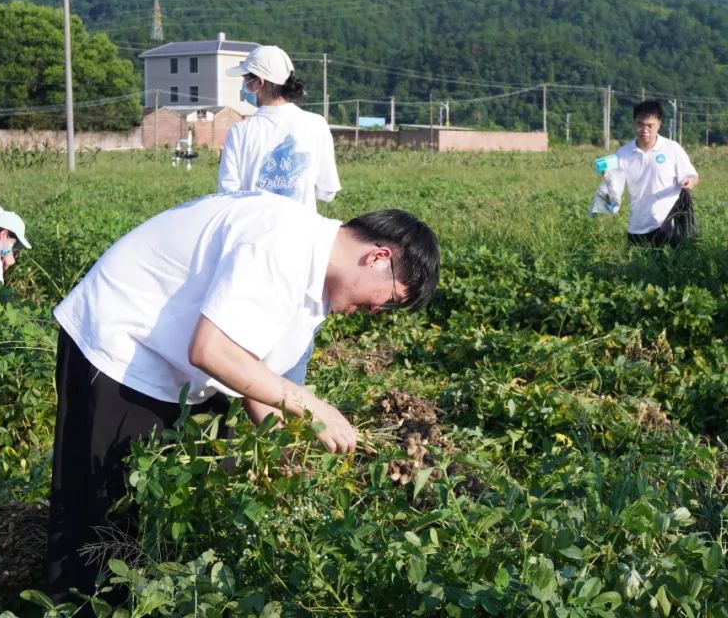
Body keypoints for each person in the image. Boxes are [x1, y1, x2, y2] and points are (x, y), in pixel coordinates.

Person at [46, 192, 439, 606]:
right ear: (378, 257)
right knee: (97, 518)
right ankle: (77, 607)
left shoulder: (316, 282)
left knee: (185, 506)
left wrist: (286, 448)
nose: (378, 311)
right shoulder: (280, 243)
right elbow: (211, 352)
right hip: (121, 350)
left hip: (184, 371)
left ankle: (148, 601)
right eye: (390, 300)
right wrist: (311, 405)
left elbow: (252, 370)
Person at [218, 45, 340, 214]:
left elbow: (227, 194)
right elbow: (327, 192)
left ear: (258, 83)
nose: (245, 86)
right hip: (301, 232)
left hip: (253, 233)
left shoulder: (240, 131)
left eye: (246, 80)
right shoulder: (316, 124)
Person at [614, 100, 699, 248]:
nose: (644, 130)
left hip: (667, 223)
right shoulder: (623, 153)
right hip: (637, 225)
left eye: (650, 126)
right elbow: (615, 184)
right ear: (634, 123)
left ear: (659, 124)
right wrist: (607, 176)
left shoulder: (672, 149)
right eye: (640, 124)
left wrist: (689, 181)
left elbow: (692, 175)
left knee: (668, 266)